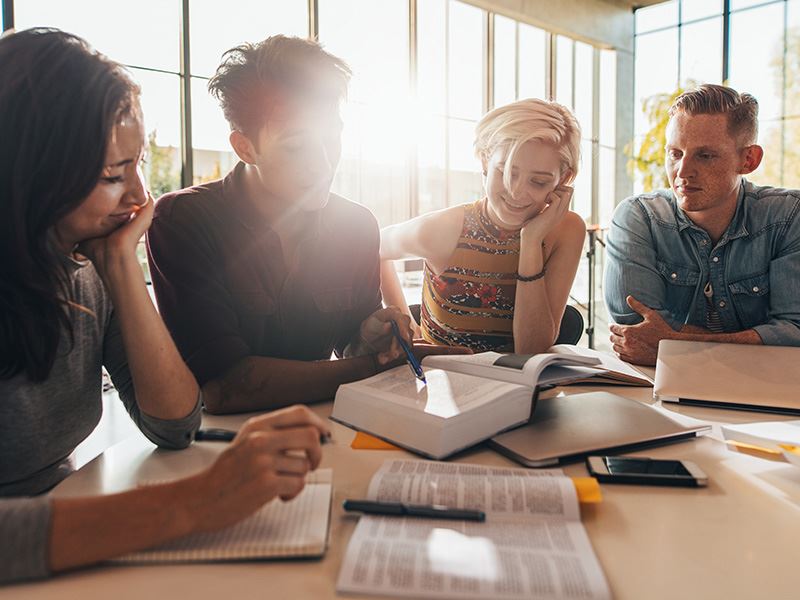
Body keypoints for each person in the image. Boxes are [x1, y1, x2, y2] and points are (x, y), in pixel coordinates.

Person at [0, 28, 329, 584]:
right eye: (111, 176)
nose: (139, 197)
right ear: (28, 175)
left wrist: (122, 268)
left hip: (65, 538)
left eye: (139, 164)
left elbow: (174, 425)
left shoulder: (86, 267)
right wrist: (196, 504)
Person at [147, 35, 464, 415]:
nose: (323, 163)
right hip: (220, 447)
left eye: (333, 137)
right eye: (297, 145)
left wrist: (369, 336)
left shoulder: (356, 225)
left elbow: (348, 342)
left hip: (323, 428)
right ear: (245, 147)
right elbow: (225, 386)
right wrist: (372, 368)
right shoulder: (183, 221)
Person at [605, 84, 800, 366]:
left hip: (766, 395)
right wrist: (753, 341)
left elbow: (794, 333)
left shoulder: (788, 217)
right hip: (660, 392)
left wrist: (674, 344)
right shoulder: (639, 217)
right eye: (675, 153)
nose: (682, 172)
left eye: (705, 156)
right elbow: (635, 333)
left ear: (748, 160)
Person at [380, 98, 586, 353]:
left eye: (539, 182)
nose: (517, 192)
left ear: (563, 180)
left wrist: (531, 242)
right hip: (443, 385)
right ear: (486, 161)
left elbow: (531, 351)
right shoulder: (444, 229)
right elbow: (374, 247)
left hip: (522, 387)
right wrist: (408, 329)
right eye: (508, 172)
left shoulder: (566, 230)